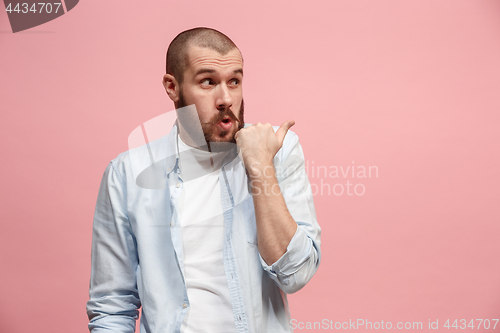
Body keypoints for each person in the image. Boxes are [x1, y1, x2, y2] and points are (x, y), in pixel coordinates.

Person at [86, 27, 321, 333]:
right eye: (208, 82)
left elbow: (296, 274)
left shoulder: (278, 150)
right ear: (172, 87)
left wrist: (260, 165)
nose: (226, 99)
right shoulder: (128, 174)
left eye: (234, 81)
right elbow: (112, 305)